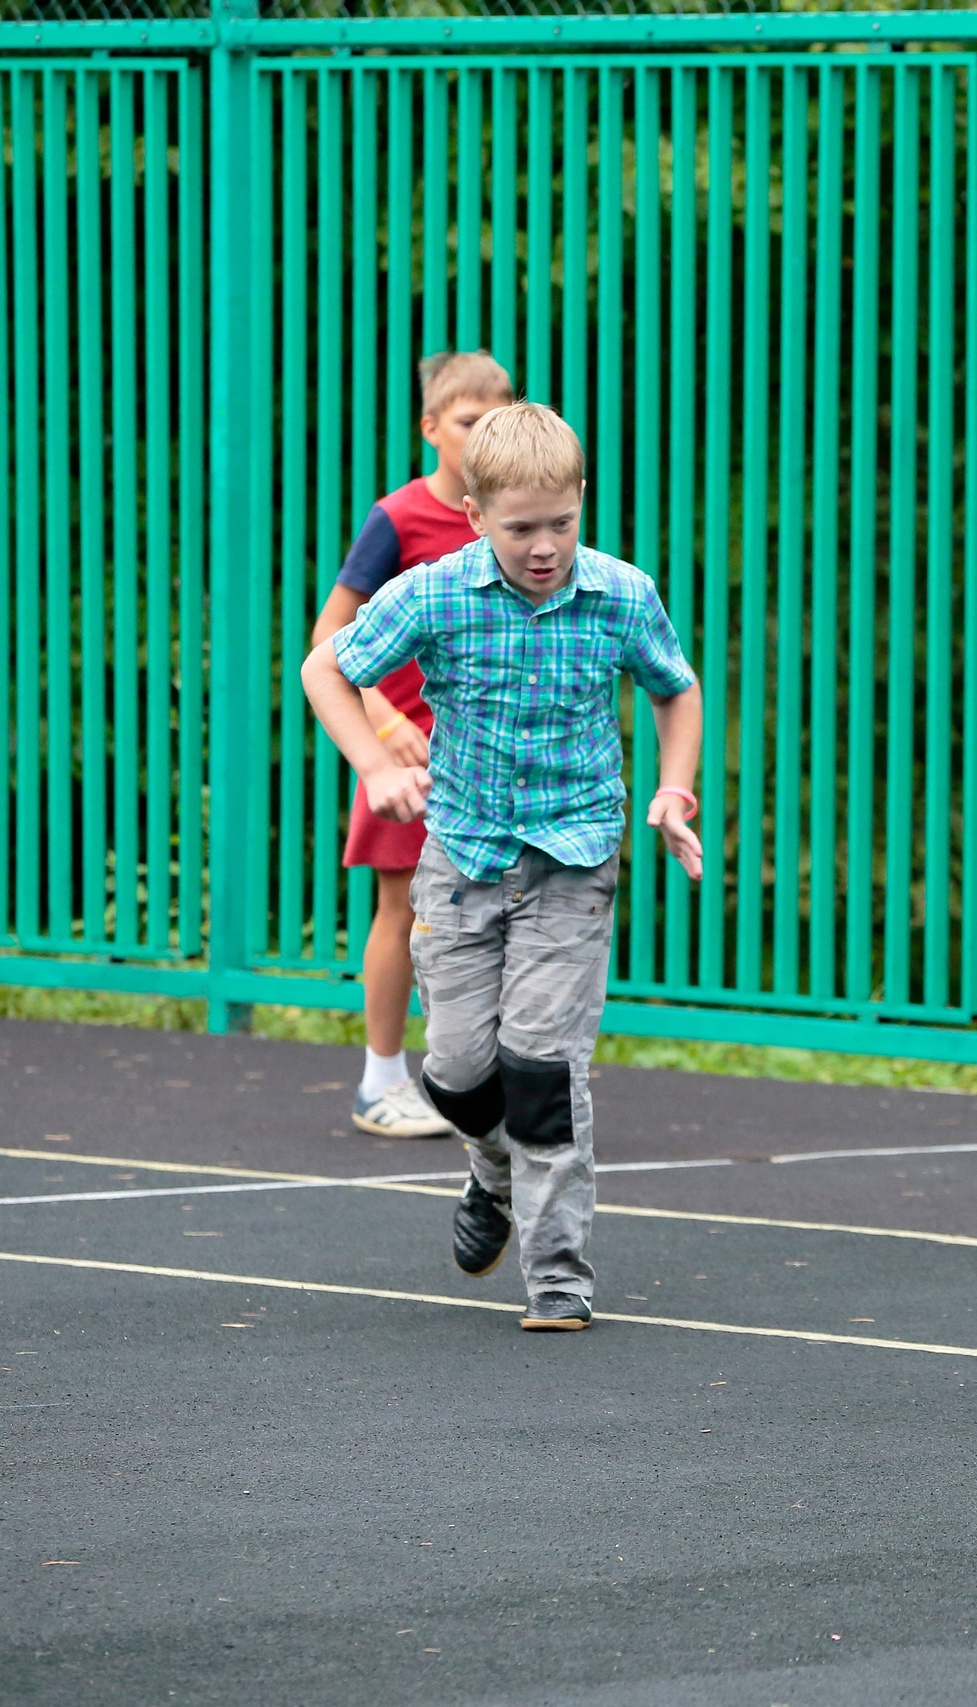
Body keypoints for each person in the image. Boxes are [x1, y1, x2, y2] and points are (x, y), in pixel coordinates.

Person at [300, 403, 705, 1331]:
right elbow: (327, 668)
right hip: (464, 860)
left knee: (542, 1067)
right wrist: (373, 762)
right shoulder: (435, 593)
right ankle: (489, 1171)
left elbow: (674, 691)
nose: (543, 546)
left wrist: (673, 790)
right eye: (520, 527)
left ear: (581, 504)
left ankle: (558, 1272)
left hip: (572, 857)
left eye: (560, 523)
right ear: (477, 515)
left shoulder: (620, 594)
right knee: (457, 1067)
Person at [309, 351, 516, 1140]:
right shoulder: (397, 518)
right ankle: (380, 1079)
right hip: (406, 755)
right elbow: (331, 637)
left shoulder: (512, 517)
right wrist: (387, 724)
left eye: (495, 420)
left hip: (485, 760)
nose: (481, 434)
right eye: (468, 421)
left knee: (498, 909)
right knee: (402, 908)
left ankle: (474, 1079)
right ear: (431, 428)